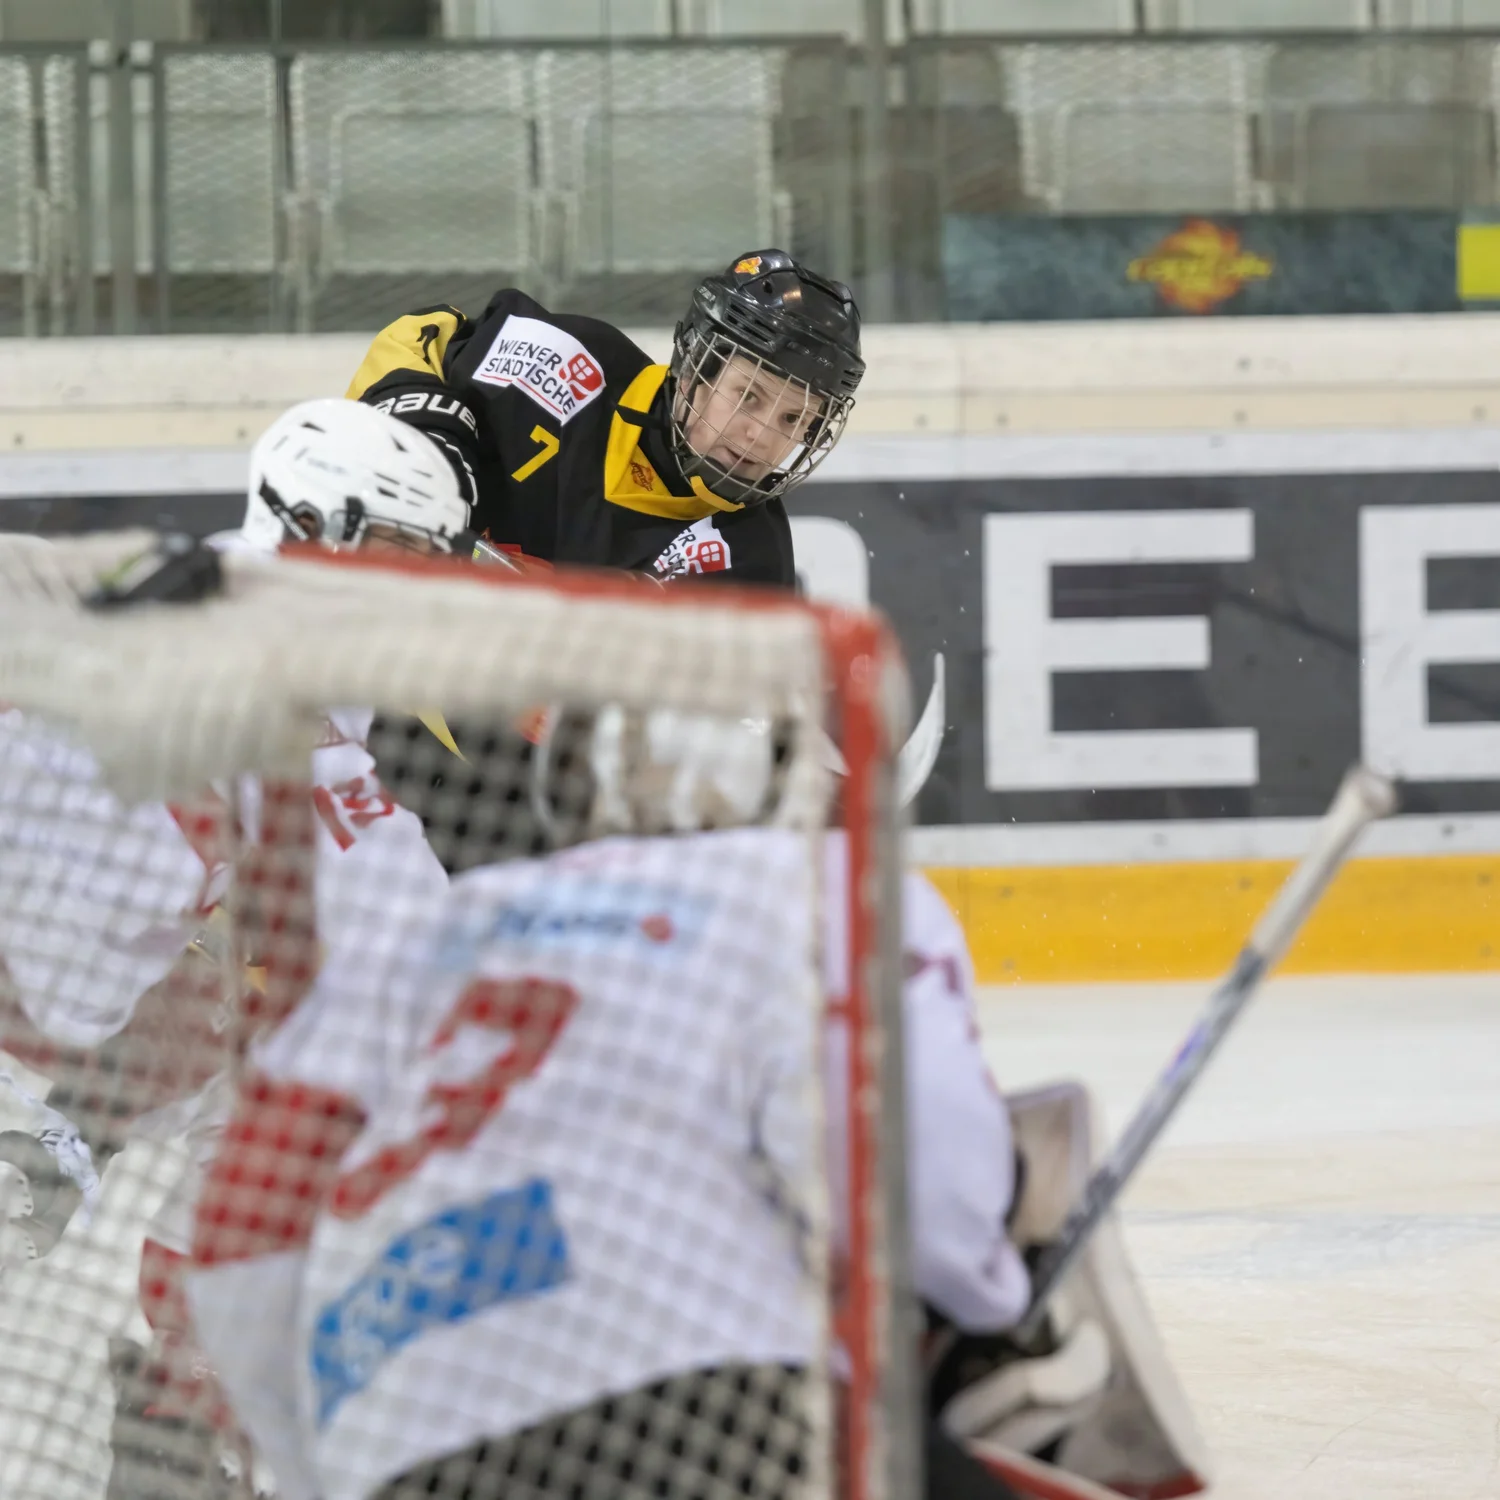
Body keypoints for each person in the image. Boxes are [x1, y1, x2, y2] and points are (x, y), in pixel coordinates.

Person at [345, 248, 864, 587]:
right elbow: (418, 338)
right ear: (693, 372)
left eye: (794, 419)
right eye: (748, 395)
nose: (761, 435)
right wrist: (424, 433)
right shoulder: (561, 364)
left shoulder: (751, 561)